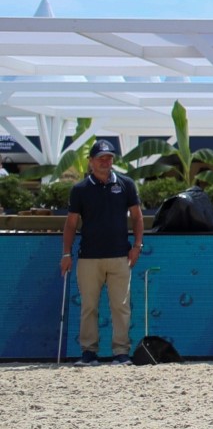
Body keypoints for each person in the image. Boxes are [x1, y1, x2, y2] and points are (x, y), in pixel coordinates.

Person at [59, 144, 144, 365]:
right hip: (89, 256)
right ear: (91, 161)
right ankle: (89, 352)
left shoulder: (126, 184)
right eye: (100, 158)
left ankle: (121, 352)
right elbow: (70, 223)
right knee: (89, 306)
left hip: (119, 255)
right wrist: (66, 253)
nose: (105, 162)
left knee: (121, 306)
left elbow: (137, 216)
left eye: (109, 158)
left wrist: (137, 246)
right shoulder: (80, 189)